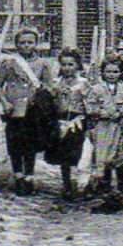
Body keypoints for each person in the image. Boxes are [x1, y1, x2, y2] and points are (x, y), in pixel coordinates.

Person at [0, 27, 56, 195]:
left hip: (33, 111)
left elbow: (50, 87)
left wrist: (43, 93)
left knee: (30, 144)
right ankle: (18, 175)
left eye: (30, 42)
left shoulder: (43, 64)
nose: (26, 46)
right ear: (16, 44)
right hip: (14, 109)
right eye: (22, 43)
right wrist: (4, 101)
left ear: (36, 44)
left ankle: (29, 176)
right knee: (15, 143)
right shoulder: (8, 63)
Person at [45, 48, 90, 200]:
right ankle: (66, 185)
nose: (67, 68)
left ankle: (82, 184)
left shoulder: (83, 83)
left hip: (78, 121)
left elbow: (89, 102)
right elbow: (52, 102)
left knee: (78, 153)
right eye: (64, 64)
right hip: (62, 121)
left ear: (77, 65)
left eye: (71, 64)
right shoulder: (57, 84)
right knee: (63, 154)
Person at [85, 54, 123, 195]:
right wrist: (102, 113)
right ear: (103, 72)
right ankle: (104, 184)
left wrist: (122, 112)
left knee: (118, 155)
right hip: (103, 127)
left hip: (119, 126)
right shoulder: (96, 89)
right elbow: (90, 107)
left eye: (115, 72)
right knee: (103, 154)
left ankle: (121, 186)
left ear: (120, 73)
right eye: (108, 72)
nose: (111, 75)